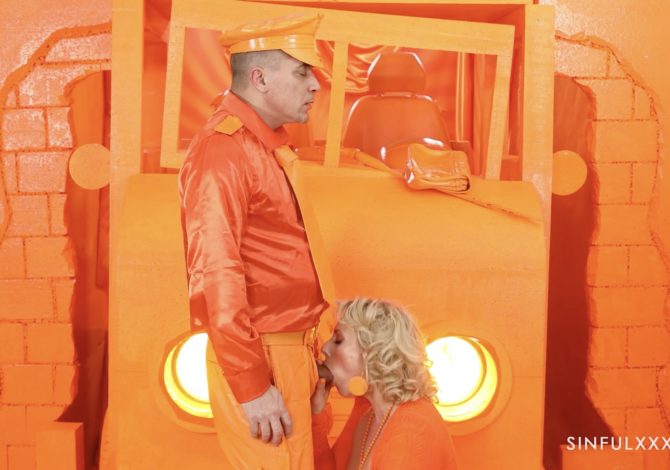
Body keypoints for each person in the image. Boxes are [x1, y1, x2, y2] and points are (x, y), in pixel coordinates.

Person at [178, 13, 329, 470]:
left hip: (292, 352)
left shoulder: (264, 145)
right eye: (301, 72)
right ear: (259, 78)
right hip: (265, 357)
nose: (315, 85)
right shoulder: (224, 149)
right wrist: (252, 385)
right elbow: (215, 271)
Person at [311, 298, 458, 469]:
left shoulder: (411, 432)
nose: (324, 348)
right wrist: (317, 413)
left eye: (338, 340)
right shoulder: (367, 409)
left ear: (372, 352)